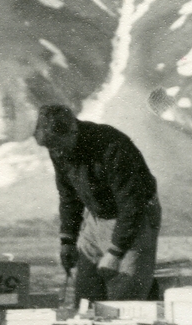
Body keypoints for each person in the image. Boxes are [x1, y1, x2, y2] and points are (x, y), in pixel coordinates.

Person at [33, 104, 161, 305]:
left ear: (73, 130)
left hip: (135, 218)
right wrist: (67, 241)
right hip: (96, 219)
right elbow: (68, 196)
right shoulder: (58, 148)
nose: (56, 152)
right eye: (51, 148)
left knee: (125, 300)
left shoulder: (112, 146)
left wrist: (116, 252)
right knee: (86, 296)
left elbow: (131, 204)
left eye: (59, 145)